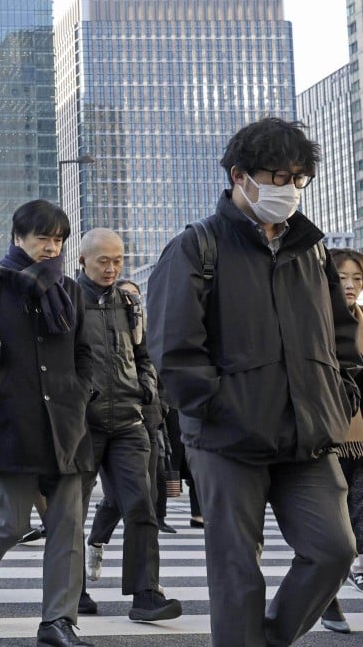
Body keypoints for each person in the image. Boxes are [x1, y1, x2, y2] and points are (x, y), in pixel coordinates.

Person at [147, 117, 360, 647]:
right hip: (227, 439)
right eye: (276, 176)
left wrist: (343, 394)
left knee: (334, 550)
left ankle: (265, 640)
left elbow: (341, 337)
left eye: (297, 179)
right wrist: (218, 406)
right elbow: (173, 351)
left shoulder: (312, 250)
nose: (287, 189)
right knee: (238, 573)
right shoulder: (197, 246)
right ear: (239, 176)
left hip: (307, 436)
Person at [0, 200, 95, 647]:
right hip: (12, 424)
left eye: (58, 240)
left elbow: (84, 352)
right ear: (18, 238)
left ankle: (58, 622)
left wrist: (81, 391)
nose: (51, 248)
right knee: (10, 522)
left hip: (66, 425)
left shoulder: (69, 289)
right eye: (42, 238)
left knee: (68, 526)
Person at [73, 229, 181, 623]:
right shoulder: (68, 302)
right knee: (74, 511)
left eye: (117, 259)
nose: (112, 267)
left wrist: (147, 388)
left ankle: (146, 594)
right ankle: (73, 591)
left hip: (130, 422)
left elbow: (144, 355)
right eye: (103, 260)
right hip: (84, 425)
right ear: (82, 260)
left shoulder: (130, 303)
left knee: (141, 504)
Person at [319, 248, 363, 633]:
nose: (350, 285)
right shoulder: (318, 320)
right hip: (332, 437)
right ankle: (327, 597)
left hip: (362, 439)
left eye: (358, 278)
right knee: (336, 527)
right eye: (342, 277)